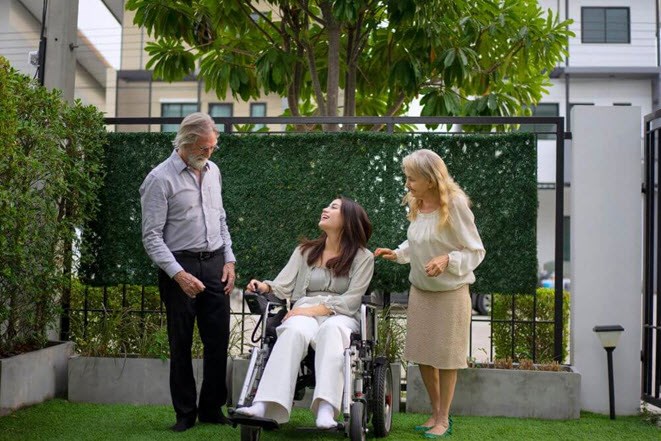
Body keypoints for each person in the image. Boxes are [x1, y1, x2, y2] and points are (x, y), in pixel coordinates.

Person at [235, 197, 374, 429]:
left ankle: (326, 410)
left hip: (341, 315)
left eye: (334, 207)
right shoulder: (304, 251)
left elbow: (352, 299)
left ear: (348, 219)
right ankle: (263, 405)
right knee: (293, 330)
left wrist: (314, 309)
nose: (325, 209)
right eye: (327, 205)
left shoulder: (363, 257)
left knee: (332, 330)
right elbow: (282, 285)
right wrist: (265, 286)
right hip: (304, 311)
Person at [375, 149, 485, 438]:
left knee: (447, 357)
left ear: (430, 178)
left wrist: (448, 260)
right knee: (424, 354)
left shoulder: (456, 205)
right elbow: (418, 241)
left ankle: (444, 419)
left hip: (451, 292)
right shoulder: (417, 202)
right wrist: (397, 253)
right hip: (421, 292)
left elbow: (475, 250)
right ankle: (434, 413)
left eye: (412, 178)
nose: (407, 184)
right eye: (407, 178)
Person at [140, 112, 236, 432]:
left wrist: (229, 260)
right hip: (178, 267)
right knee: (180, 342)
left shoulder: (214, 172)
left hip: (215, 264)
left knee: (218, 340)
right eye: (204, 148)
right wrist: (178, 274)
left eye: (213, 148)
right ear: (185, 143)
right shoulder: (159, 179)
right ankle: (185, 414)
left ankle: (211, 408)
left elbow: (221, 219)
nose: (210, 154)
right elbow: (151, 236)